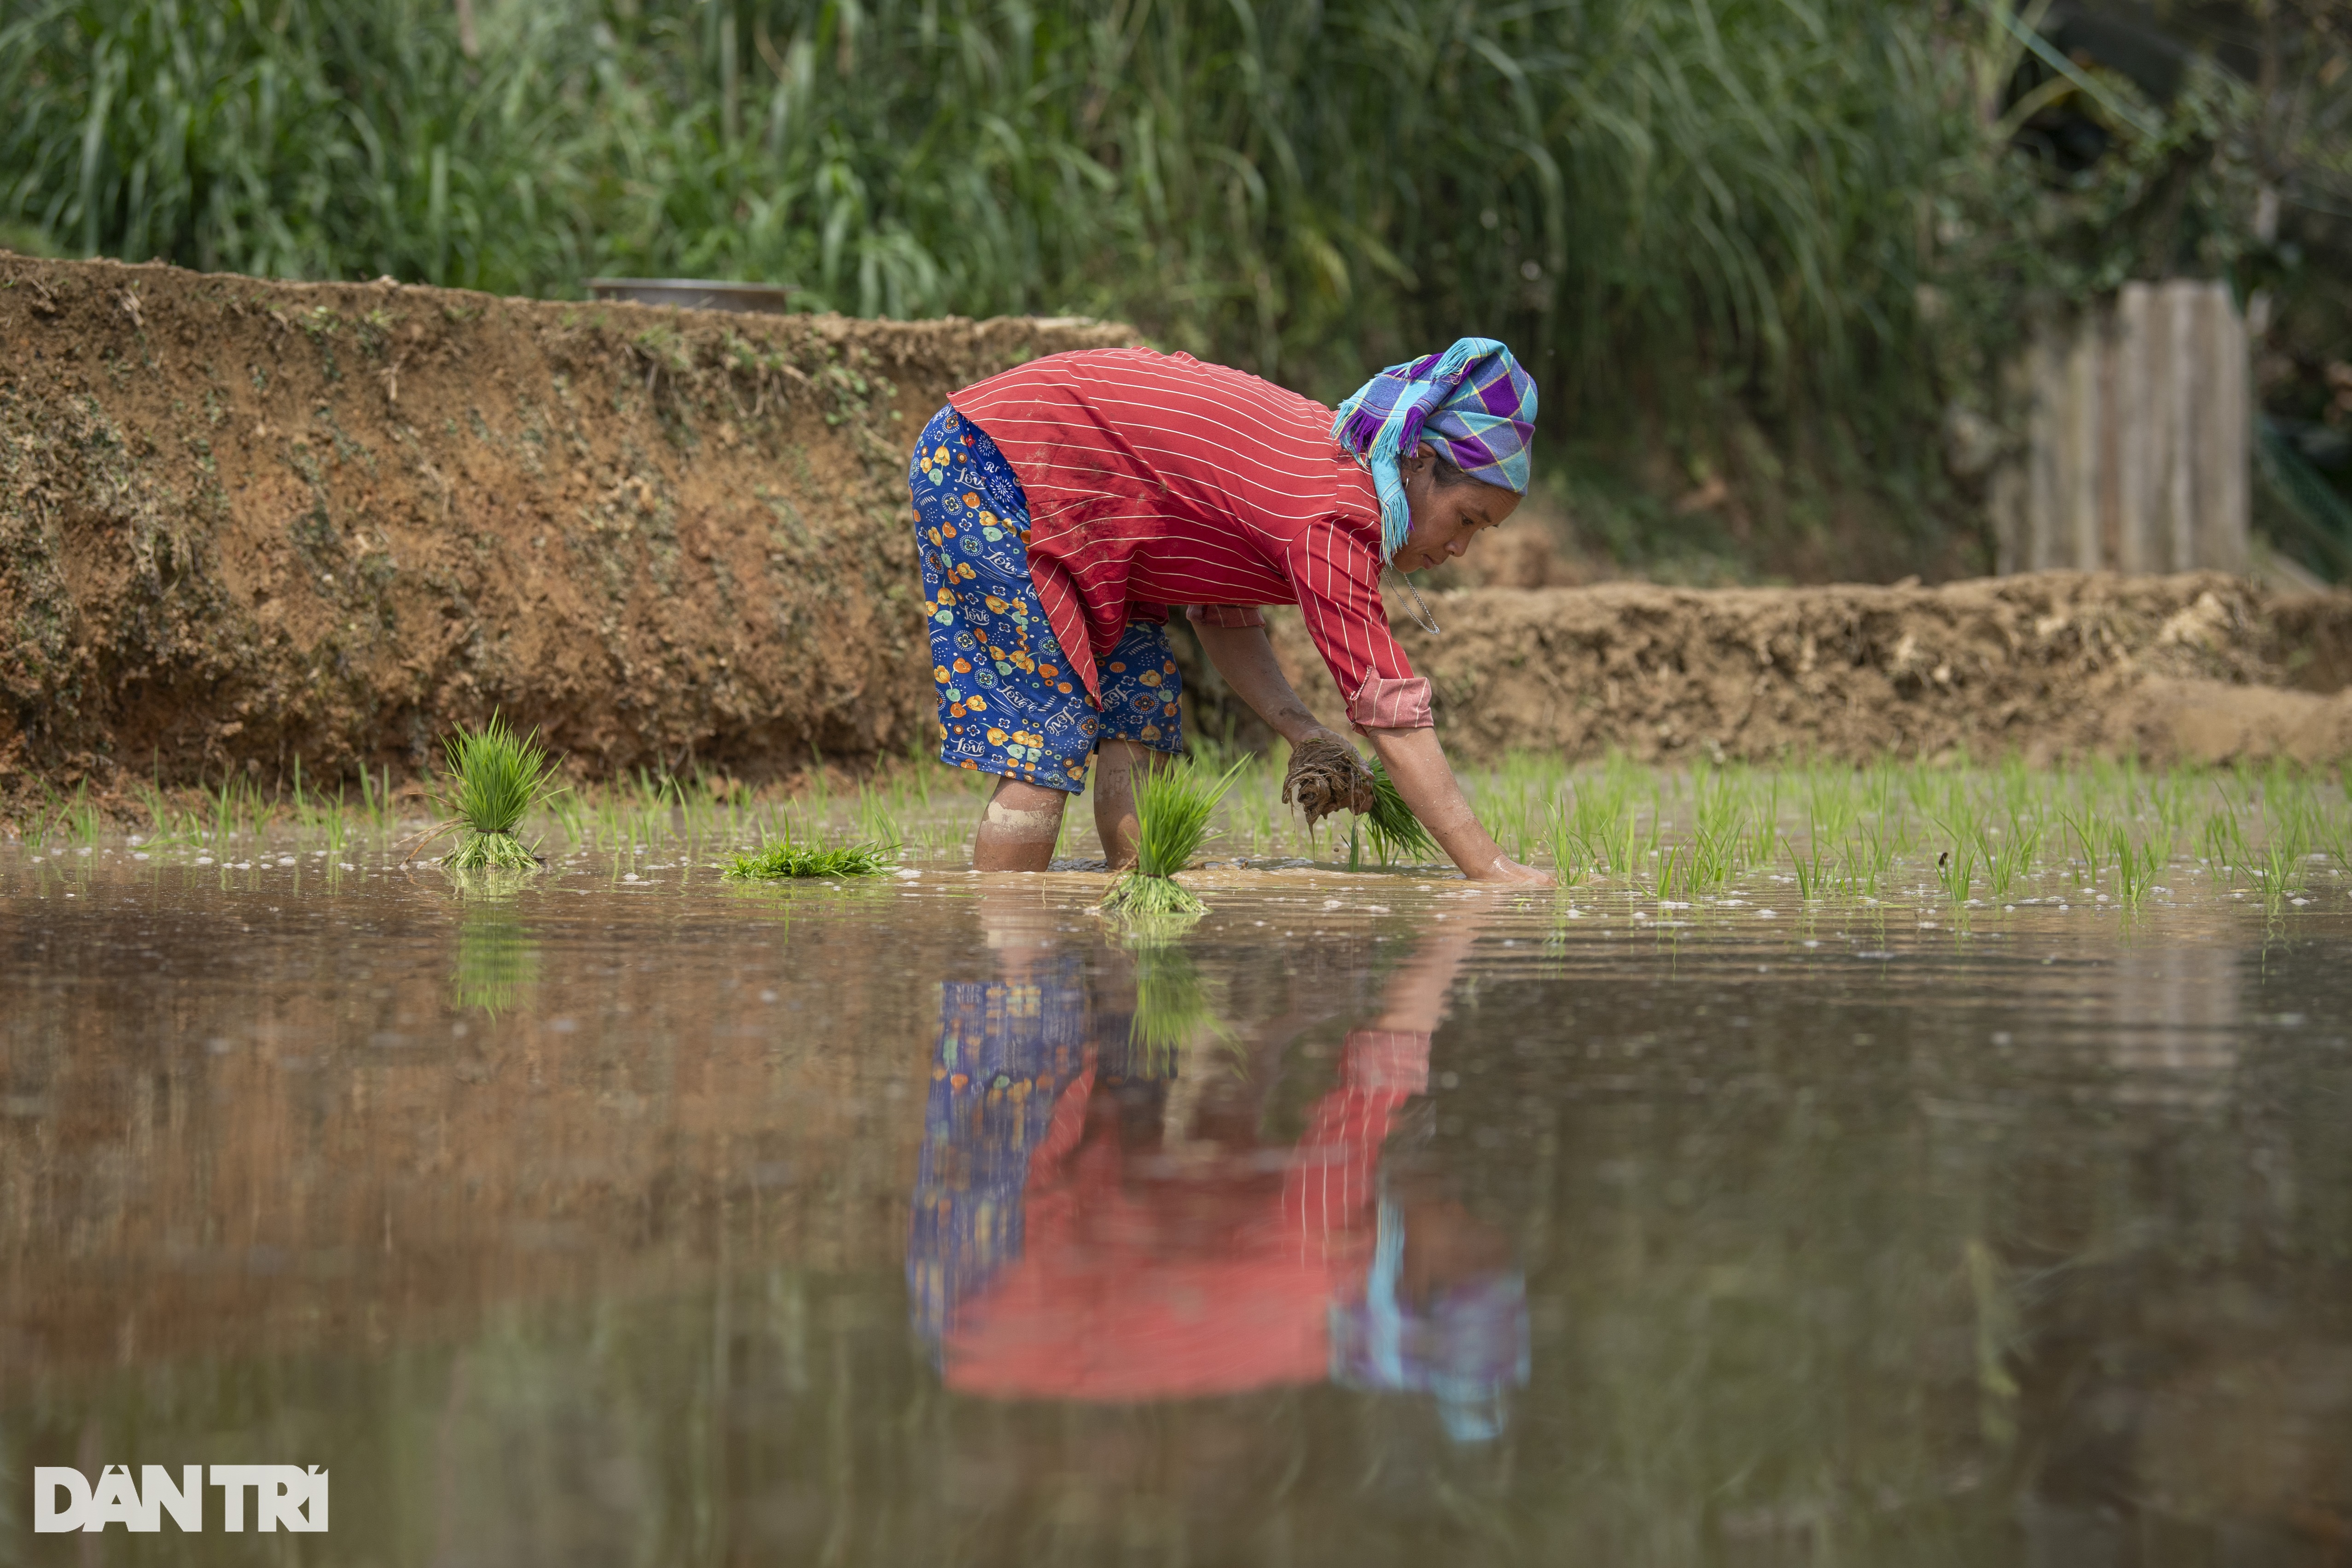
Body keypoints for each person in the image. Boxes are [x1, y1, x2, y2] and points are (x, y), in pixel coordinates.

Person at [907, 338, 1554, 884]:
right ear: (1418, 461)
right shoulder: (1336, 509)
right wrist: (1492, 871)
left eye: (1480, 532)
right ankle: (1001, 977)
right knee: (1050, 729)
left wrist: (1304, 733)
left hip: (1093, 516)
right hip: (996, 466)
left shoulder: (1322, 474)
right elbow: (1390, 713)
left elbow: (1222, 616)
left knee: (1141, 713)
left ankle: (1130, 929)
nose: (1460, 547)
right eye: (1465, 518)